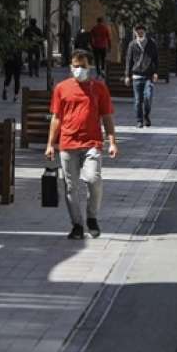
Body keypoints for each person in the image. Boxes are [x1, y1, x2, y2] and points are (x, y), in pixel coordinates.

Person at [46, 49, 119, 240]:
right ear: (71, 67)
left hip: (91, 143)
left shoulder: (99, 88)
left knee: (94, 180)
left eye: (83, 66)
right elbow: (56, 118)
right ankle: (77, 224)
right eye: (75, 66)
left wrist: (112, 142)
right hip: (68, 143)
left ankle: (92, 217)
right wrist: (50, 144)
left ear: (90, 67)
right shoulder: (62, 88)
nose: (78, 70)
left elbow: (107, 117)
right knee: (71, 187)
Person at [124, 24, 159, 128]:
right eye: (137, 31)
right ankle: (139, 121)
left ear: (145, 32)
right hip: (136, 76)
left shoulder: (151, 43)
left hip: (148, 75)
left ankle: (146, 116)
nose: (139, 32)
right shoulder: (132, 44)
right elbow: (128, 60)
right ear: (135, 32)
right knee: (138, 100)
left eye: (141, 31)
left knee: (148, 97)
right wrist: (127, 75)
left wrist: (156, 72)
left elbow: (156, 59)